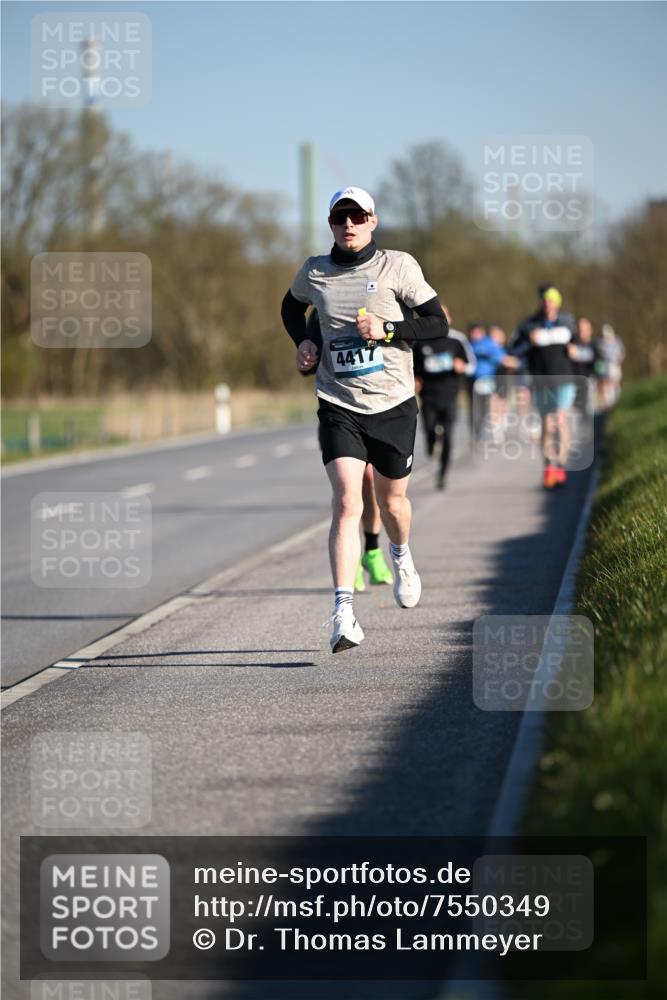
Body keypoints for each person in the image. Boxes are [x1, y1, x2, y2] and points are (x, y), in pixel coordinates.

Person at [281, 186, 448, 652]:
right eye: (340, 218)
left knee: (392, 503)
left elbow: (437, 324)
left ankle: (401, 556)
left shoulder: (398, 265)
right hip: (339, 403)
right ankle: (343, 614)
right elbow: (291, 307)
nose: (349, 225)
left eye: (357, 216)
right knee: (347, 503)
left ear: (373, 220)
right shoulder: (315, 271)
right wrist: (303, 342)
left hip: (393, 404)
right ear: (331, 224)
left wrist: (388, 329)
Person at [303, 309, 394, 591]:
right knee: (347, 489)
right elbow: (307, 358)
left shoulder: (382, 300)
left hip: (378, 409)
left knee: (371, 479)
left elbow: (406, 343)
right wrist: (306, 357)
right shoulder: (323, 307)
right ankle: (350, 559)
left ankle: (372, 551)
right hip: (338, 411)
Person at [512, 285, 577, 489]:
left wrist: (575, 350)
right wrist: (529, 343)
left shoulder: (568, 323)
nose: (548, 304)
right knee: (547, 424)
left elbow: (582, 345)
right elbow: (513, 350)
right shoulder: (529, 325)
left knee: (560, 419)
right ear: (541, 303)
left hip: (564, 380)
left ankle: (561, 464)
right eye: (545, 300)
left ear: (557, 303)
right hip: (541, 381)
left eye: (551, 300)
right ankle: (549, 465)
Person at [413, 304, 475, 490]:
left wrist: (462, 367)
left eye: (444, 315)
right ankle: (431, 443)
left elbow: (471, 366)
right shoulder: (421, 341)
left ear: (449, 319)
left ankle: (442, 474)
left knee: (448, 437)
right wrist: (415, 379)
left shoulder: (457, 340)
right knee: (429, 429)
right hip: (428, 396)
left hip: (450, 395)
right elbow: (412, 367)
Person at [570, 316, 599, 415]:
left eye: (585, 329)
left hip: (589, 379)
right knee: (575, 407)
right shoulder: (572, 342)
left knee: (588, 407)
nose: (582, 332)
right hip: (574, 380)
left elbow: (599, 362)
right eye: (580, 329)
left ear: (590, 329)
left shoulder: (595, 344)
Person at [594, 323, 625, 409]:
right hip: (604, 365)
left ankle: (618, 401)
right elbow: (597, 356)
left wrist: (620, 358)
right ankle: (609, 404)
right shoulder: (599, 342)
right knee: (606, 383)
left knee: (615, 382)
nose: (606, 336)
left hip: (614, 365)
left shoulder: (617, 341)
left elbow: (622, 352)